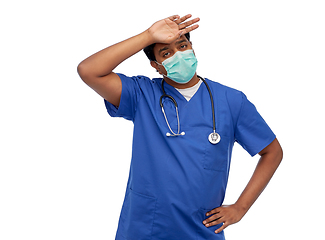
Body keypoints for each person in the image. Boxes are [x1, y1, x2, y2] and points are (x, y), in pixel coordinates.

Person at [77, 14, 283, 240]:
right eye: (166, 53)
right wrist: (147, 36)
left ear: (193, 49)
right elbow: (89, 70)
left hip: (201, 229)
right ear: (156, 66)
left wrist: (241, 208)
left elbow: (272, 151)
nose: (179, 55)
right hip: (145, 228)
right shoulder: (141, 94)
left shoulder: (231, 100)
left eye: (183, 46)